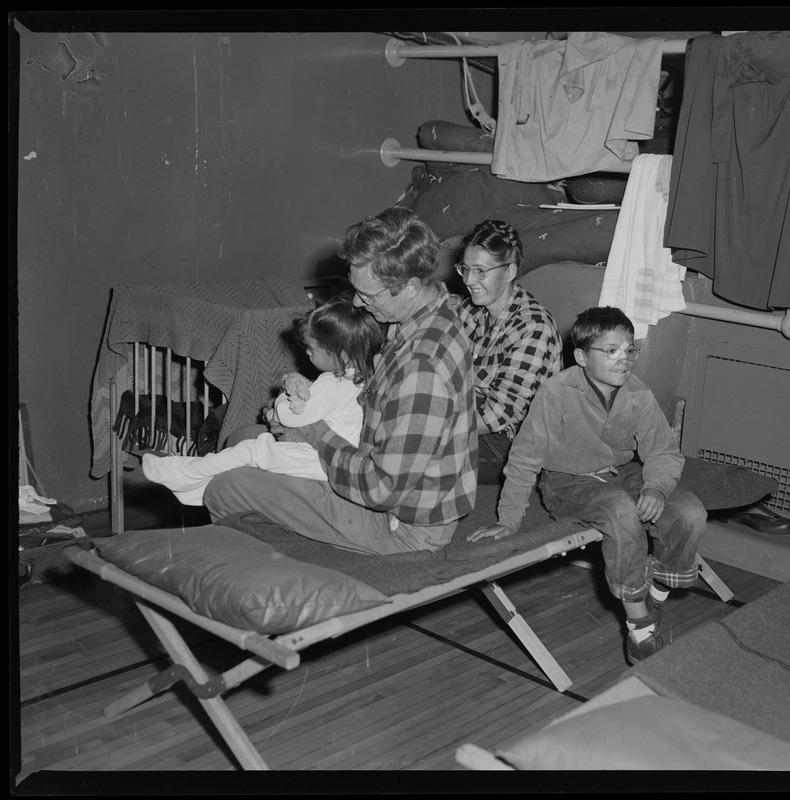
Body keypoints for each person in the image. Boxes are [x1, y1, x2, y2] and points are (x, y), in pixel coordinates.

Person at [202, 206, 478, 555]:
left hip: (402, 526)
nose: (359, 303)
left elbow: (382, 489)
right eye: (356, 289)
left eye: (370, 294)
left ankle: (261, 587)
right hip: (386, 473)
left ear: (409, 287)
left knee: (224, 486)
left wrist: (316, 434)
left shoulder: (421, 367)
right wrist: (306, 410)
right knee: (241, 437)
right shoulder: (434, 310)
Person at [469, 306, 707, 665]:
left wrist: (656, 487)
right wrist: (509, 520)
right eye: (610, 351)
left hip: (620, 472)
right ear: (581, 356)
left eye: (629, 350)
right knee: (620, 511)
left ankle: (654, 595)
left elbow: (663, 451)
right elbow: (525, 458)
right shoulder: (556, 392)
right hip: (566, 482)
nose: (623, 359)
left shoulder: (638, 394)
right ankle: (640, 630)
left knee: (690, 512)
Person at [140, 296, 385, 506]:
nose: (307, 353)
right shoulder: (363, 378)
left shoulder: (332, 382)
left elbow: (292, 416)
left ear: (339, 355)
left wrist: (281, 401)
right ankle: (196, 486)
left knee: (251, 449)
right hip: (337, 458)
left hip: (318, 460)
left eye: (312, 349)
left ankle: (183, 473)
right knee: (251, 450)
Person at [455, 219, 563, 484]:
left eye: (481, 271)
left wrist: (432, 427)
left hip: (513, 440)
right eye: (465, 269)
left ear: (510, 271)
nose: (469, 280)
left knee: (422, 453)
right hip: (473, 412)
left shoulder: (534, 328)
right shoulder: (472, 309)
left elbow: (498, 415)